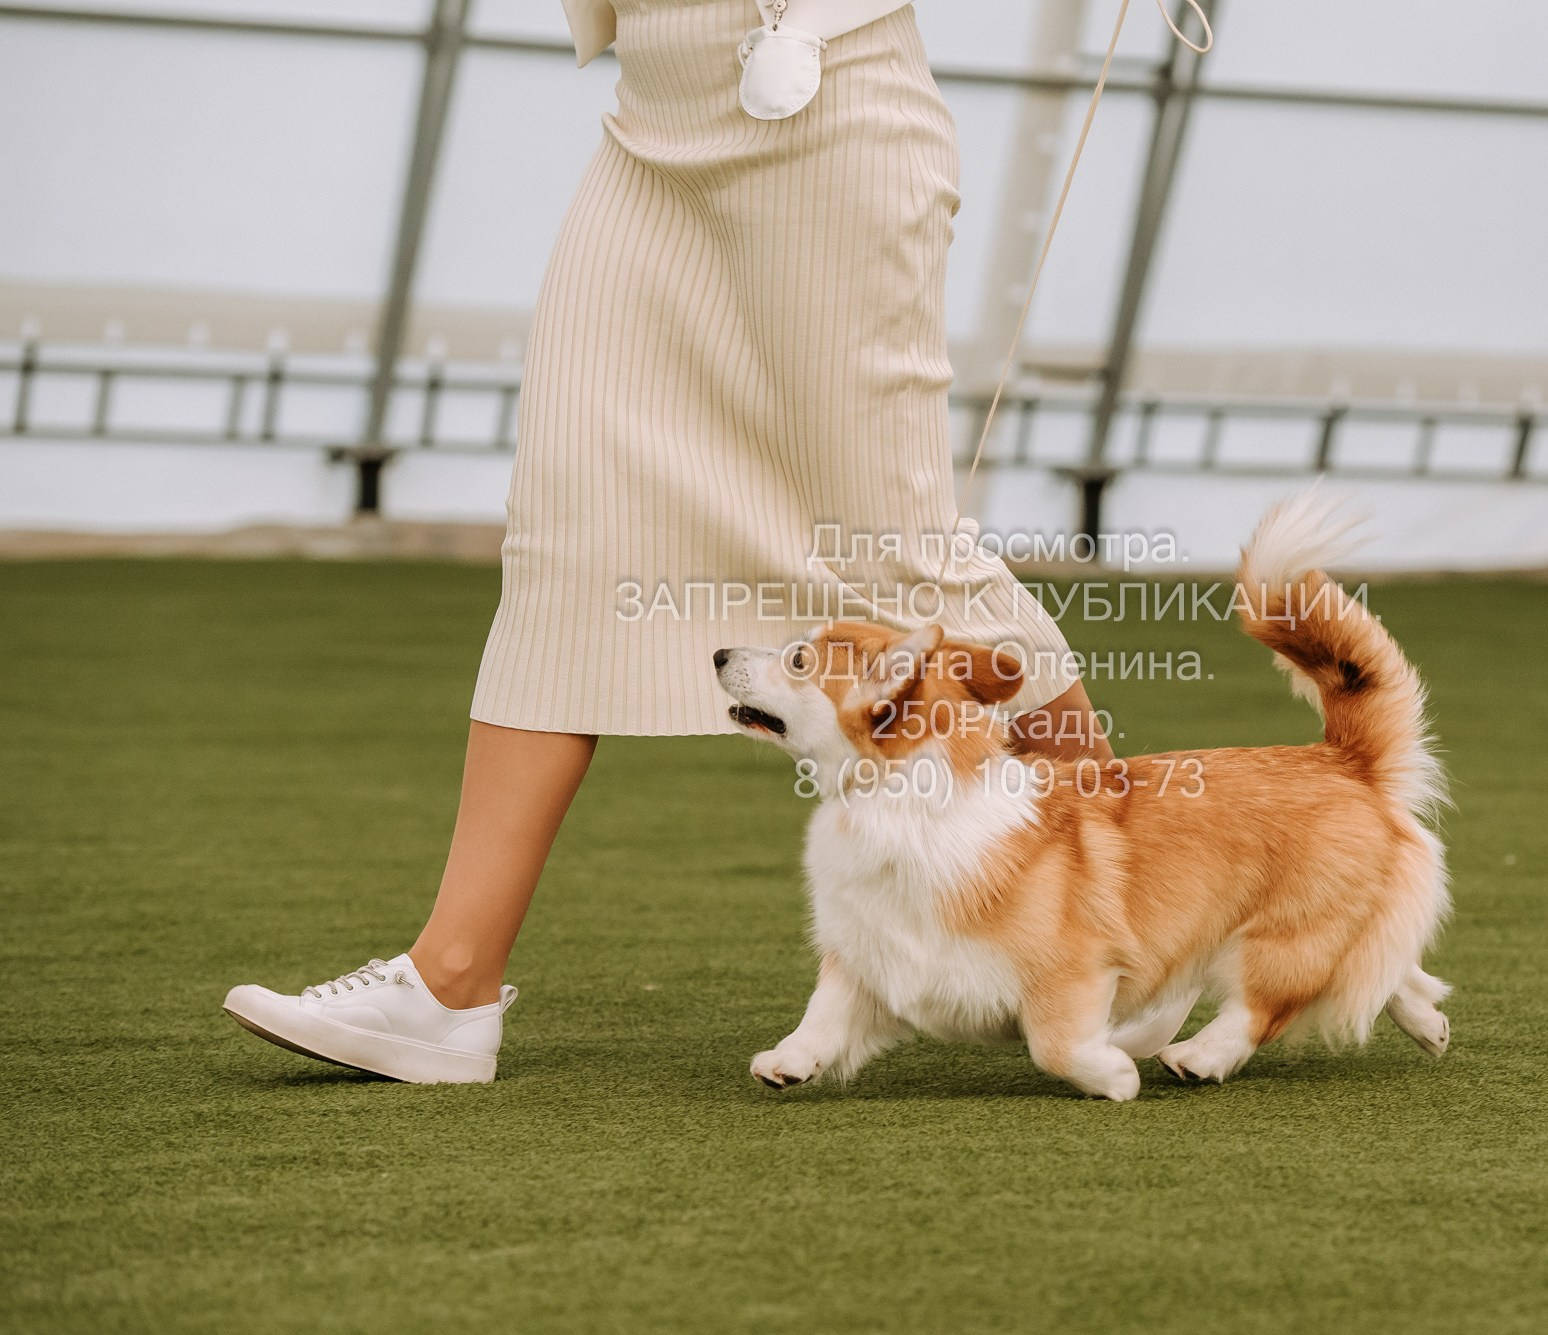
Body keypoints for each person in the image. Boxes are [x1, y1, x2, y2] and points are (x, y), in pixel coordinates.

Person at [222, 0, 1112, 1085]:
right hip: (651, 119)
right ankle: (447, 987)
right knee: (572, 532)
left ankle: (1123, 912)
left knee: (894, 551)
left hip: (826, 102)